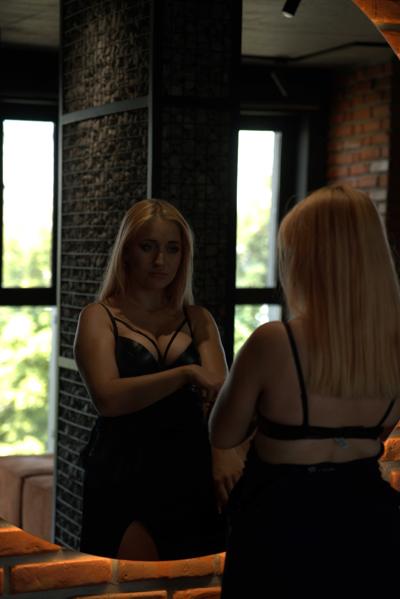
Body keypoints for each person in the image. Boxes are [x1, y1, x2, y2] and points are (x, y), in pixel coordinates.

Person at [209, 184, 400, 597]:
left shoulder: (273, 342)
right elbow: (375, 436)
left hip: (282, 534)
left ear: (307, 260)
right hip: (372, 528)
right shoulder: (393, 349)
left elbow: (222, 433)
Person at [74, 198, 244, 561]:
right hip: (123, 468)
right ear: (126, 251)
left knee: (195, 581)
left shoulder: (198, 318)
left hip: (191, 469)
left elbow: (220, 397)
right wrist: (185, 373)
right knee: (127, 582)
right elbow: (108, 398)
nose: (160, 260)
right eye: (148, 246)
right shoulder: (98, 316)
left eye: (172, 248)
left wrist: (223, 452)